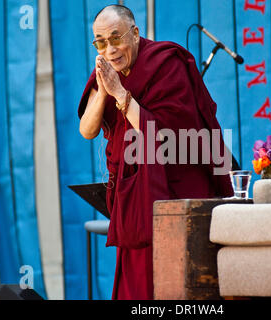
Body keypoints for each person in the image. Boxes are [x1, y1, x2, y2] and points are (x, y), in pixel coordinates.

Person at [78, 4, 233, 300]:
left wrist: (121, 95)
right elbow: (87, 130)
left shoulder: (166, 63)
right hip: (135, 191)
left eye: (116, 38)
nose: (110, 49)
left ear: (135, 34)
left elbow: (166, 137)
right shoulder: (107, 70)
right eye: (101, 41)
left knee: (173, 283)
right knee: (138, 285)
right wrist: (104, 90)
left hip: (175, 191)